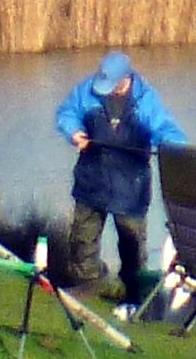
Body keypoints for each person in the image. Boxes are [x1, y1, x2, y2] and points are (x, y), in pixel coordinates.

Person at [52, 48, 185, 301]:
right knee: (83, 239)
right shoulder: (87, 90)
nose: (108, 89)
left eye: (112, 85)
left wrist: (176, 152)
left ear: (126, 79)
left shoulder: (146, 100)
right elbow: (67, 112)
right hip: (91, 180)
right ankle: (86, 287)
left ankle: (135, 296)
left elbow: (167, 130)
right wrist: (73, 131)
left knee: (132, 245)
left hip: (130, 186)